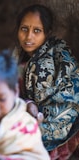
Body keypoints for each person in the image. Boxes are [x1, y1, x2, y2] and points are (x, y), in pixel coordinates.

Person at [13, 4, 79, 159]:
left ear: (47, 33)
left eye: (37, 31)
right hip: (28, 115)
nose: (29, 37)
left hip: (59, 122)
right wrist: (28, 104)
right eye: (24, 29)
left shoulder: (59, 54)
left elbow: (71, 86)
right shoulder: (15, 58)